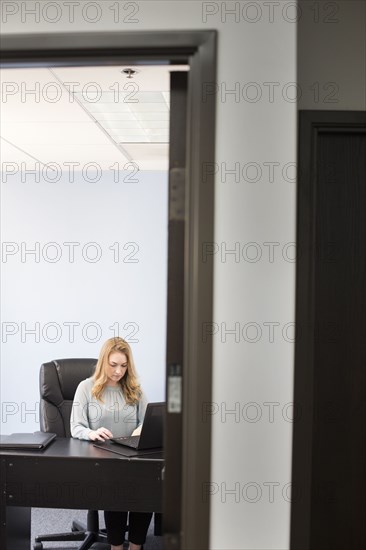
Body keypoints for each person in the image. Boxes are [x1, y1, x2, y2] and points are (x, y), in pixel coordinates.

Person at [71, 337, 152, 550]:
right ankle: (116, 546)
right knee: (117, 485)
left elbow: (149, 420)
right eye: (113, 364)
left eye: (124, 366)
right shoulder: (86, 388)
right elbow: (76, 427)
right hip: (101, 458)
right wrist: (92, 432)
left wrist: (140, 430)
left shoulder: (134, 389)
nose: (118, 371)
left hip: (131, 456)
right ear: (103, 361)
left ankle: (136, 546)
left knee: (148, 484)